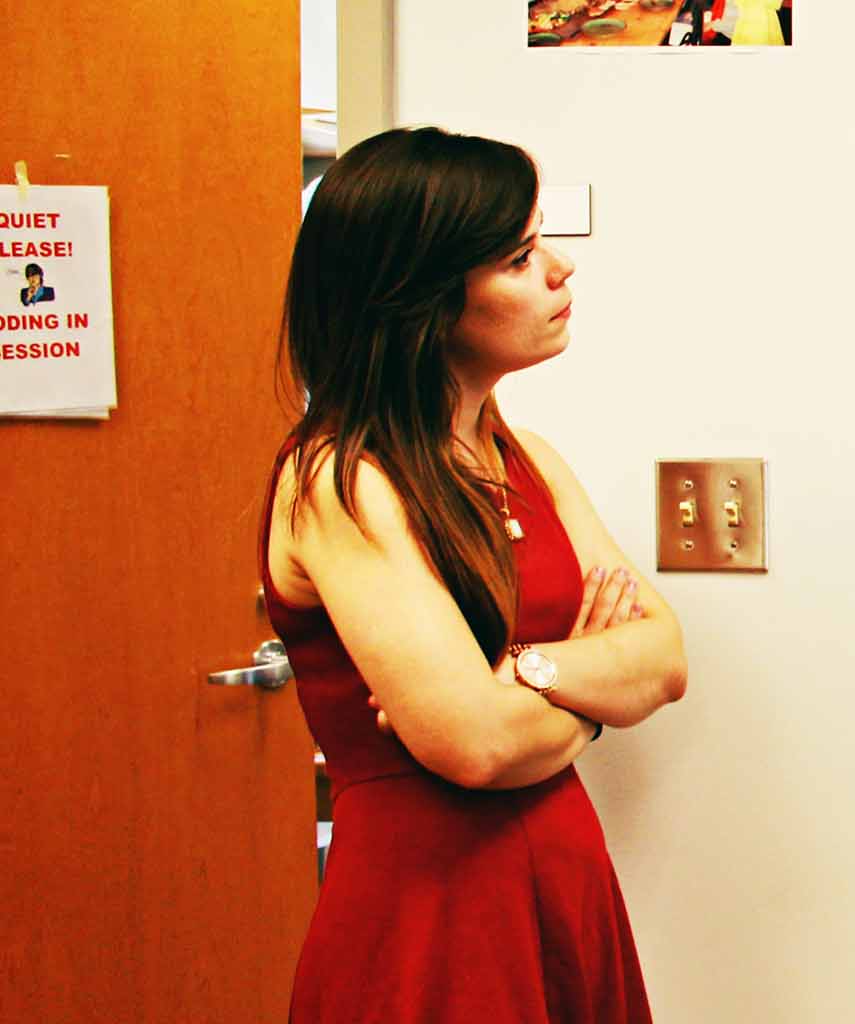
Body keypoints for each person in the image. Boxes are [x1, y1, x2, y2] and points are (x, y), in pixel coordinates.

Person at [261, 126, 688, 1023]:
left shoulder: (523, 454)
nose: (561, 269)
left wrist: (528, 673)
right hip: (430, 910)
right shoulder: (340, 478)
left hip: (564, 878)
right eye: (520, 256)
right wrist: (591, 694)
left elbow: (664, 658)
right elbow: (476, 744)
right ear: (420, 297)